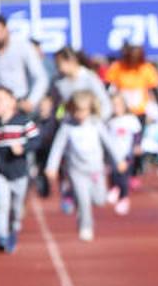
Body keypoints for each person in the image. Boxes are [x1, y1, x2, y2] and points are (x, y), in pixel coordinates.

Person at [45, 91, 124, 242]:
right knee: (83, 200)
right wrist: (52, 167)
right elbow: (57, 147)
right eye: (76, 110)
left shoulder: (96, 124)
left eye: (83, 110)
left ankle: (70, 195)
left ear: (90, 109)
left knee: (100, 200)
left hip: (96, 170)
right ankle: (85, 227)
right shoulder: (67, 126)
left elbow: (109, 143)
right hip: (76, 170)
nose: (80, 114)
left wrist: (119, 160)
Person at [0, 86, 39, 254]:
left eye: (0, 100)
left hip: (19, 173)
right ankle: (1, 236)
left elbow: (36, 140)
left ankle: (13, 230)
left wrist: (23, 148)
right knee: (1, 205)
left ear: (12, 102)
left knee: (16, 208)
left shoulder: (23, 121)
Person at [0, 15, 48, 113]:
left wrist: (31, 101)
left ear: (6, 29)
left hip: (20, 102)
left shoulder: (23, 46)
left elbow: (40, 77)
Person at [105, 94, 142, 215]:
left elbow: (137, 134)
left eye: (119, 105)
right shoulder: (109, 121)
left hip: (127, 153)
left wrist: (137, 145)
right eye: (113, 105)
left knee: (124, 175)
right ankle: (114, 187)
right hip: (113, 154)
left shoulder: (131, 119)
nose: (116, 107)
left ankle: (124, 198)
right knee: (113, 173)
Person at [53, 48, 112, 119]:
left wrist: (97, 121)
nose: (58, 68)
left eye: (59, 64)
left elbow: (105, 103)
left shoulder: (89, 77)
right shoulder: (59, 82)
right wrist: (59, 118)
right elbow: (61, 106)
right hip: (70, 125)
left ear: (71, 61)